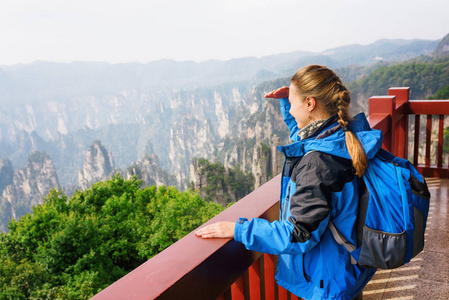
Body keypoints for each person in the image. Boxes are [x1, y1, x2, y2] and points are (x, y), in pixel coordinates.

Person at [195, 65, 381, 300]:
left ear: (310, 104)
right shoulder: (345, 135)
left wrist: (238, 229)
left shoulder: (318, 165)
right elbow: (308, 139)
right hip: (348, 266)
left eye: (293, 103)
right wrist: (286, 103)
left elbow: (297, 234)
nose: (291, 110)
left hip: (328, 283)